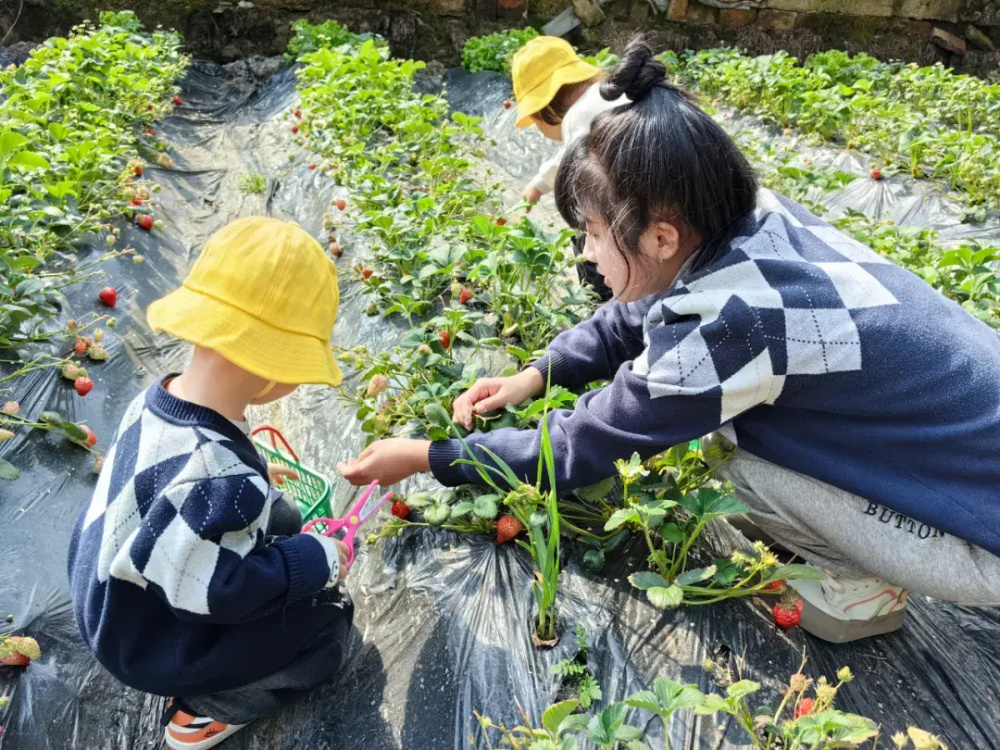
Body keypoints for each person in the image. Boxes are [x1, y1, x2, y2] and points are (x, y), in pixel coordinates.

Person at [338, 39, 1000, 644]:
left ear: (659, 236)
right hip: (970, 449)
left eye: (593, 231)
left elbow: (580, 445)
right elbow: (644, 308)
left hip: (984, 533)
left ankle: (861, 592)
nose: (586, 253)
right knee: (735, 425)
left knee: (728, 449)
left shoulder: (731, 328)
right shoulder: (747, 220)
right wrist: (538, 373)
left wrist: (429, 456)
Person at [68, 217, 354, 749]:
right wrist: (319, 560)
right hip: (148, 640)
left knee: (278, 518)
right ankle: (211, 710)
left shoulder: (156, 400)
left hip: (107, 596)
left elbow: (175, 490)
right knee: (328, 627)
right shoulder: (219, 478)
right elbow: (223, 594)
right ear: (272, 368)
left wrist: (255, 478)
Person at [512, 35, 628, 301]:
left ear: (544, 109)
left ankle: (603, 306)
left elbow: (567, 161)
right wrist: (538, 185)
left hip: (626, 219)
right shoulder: (606, 96)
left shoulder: (577, 118)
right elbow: (565, 157)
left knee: (580, 219)